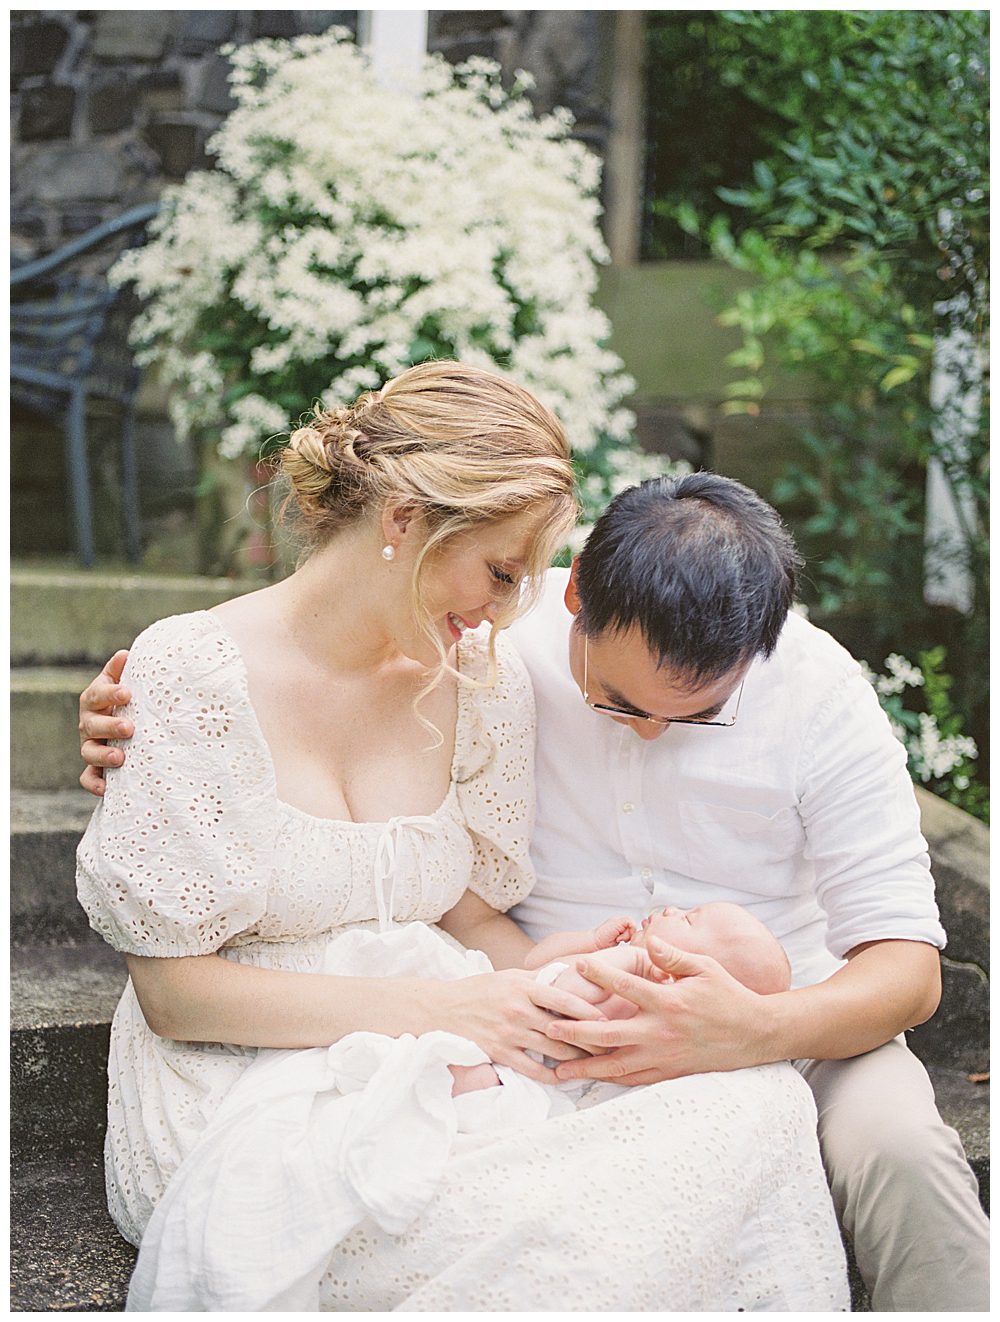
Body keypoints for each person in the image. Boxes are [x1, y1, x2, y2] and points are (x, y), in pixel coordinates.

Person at [81, 468, 989, 1311]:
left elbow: (908, 972)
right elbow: (315, 648)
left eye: (700, 717)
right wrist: (141, 713)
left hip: (792, 1013)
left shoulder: (820, 691)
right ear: (577, 602)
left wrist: (752, 1029)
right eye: (622, 704)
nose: (647, 736)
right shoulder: (497, 641)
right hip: (552, 1006)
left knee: (905, 1157)